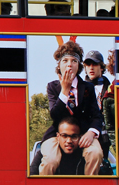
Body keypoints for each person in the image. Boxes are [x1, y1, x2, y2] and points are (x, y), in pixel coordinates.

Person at [30, 40, 104, 175]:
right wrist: (64, 90)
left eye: (74, 61)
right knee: (50, 160)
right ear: (59, 66)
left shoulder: (88, 87)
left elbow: (96, 116)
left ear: (79, 66)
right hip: (58, 133)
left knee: (95, 153)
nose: (69, 65)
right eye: (65, 61)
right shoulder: (53, 86)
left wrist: (91, 132)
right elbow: (55, 115)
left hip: (82, 132)